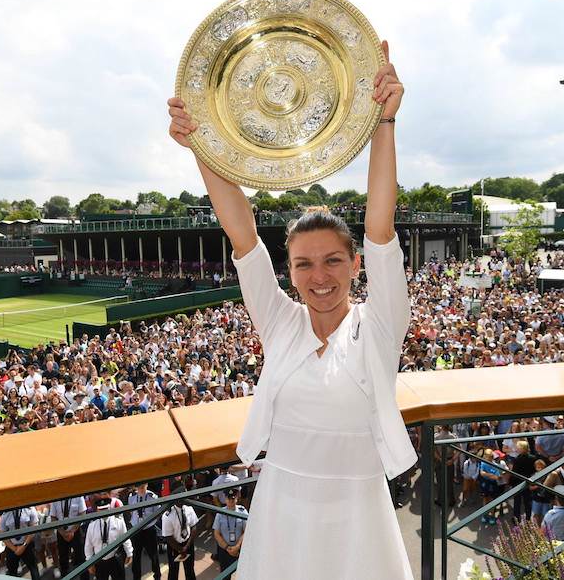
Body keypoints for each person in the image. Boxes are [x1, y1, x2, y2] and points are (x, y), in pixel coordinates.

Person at [167, 38, 413, 578]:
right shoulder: (279, 322)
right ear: (289, 271)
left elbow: (380, 227)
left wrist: (384, 124)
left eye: (332, 261)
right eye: (303, 264)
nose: (319, 277)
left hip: (359, 512)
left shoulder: (380, 327)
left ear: (355, 264)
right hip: (282, 505)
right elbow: (242, 233)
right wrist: (199, 143)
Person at [83, 499, 133, 580]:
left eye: (105, 509)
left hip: (115, 558)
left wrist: (129, 553)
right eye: (101, 510)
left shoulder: (118, 522)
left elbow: (125, 539)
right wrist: (89, 562)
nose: (104, 512)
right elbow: (88, 545)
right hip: (100, 560)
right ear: (97, 510)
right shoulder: (92, 526)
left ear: (109, 508)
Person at [161, 488, 200, 580]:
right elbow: (168, 537)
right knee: (173, 571)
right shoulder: (168, 515)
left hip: (188, 543)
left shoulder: (189, 508)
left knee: (190, 569)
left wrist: (186, 546)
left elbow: (194, 527)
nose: (186, 499)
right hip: (174, 546)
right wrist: (180, 549)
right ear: (177, 499)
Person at [128, 482, 163, 580]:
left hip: (149, 530)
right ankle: (136, 577)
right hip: (136, 529)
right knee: (136, 556)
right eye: (139, 487)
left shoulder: (153, 497)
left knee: (153, 555)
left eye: (143, 486)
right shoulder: (131, 497)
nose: (141, 489)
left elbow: (157, 513)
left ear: (147, 485)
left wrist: (150, 523)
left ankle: (157, 575)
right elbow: (132, 512)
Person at [49, 496, 88, 580]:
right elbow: (53, 517)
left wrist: (73, 531)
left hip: (76, 531)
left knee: (81, 558)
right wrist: (62, 532)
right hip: (61, 532)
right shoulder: (55, 498)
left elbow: (82, 513)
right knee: (63, 560)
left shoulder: (78, 496)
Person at [213, 488, 248, 575]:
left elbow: (246, 531)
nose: (231, 501)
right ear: (225, 499)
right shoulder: (220, 513)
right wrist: (227, 548)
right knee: (225, 574)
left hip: (239, 550)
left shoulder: (242, 511)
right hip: (224, 550)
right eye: (228, 498)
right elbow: (216, 534)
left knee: (241, 574)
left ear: (236, 499)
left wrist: (237, 547)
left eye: (233, 498)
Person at [0, 506, 41, 580]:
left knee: (33, 569)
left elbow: (33, 527)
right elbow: (3, 533)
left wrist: (24, 545)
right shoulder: (6, 513)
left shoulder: (29, 509)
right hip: (12, 547)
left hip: (27, 545)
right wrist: (14, 548)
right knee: (12, 573)